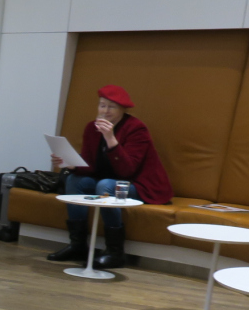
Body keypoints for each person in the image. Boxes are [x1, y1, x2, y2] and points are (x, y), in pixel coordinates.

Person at [46, 84, 173, 269]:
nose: (105, 111)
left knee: (105, 186)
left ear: (123, 110)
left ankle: (115, 252)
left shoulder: (136, 129)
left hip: (139, 185)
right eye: (102, 105)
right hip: (105, 181)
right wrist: (71, 164)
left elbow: (127, 171)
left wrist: (111, 139)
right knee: (75, 180)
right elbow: (91, 165)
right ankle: (77, 245)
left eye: (111, 107)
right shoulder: (92, 128)